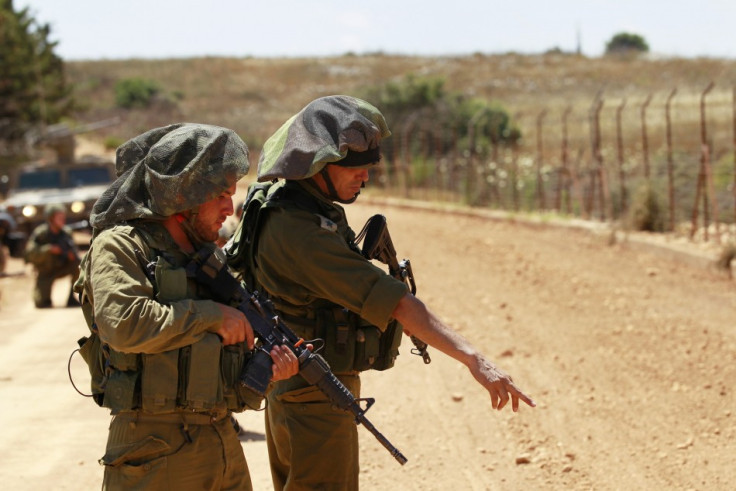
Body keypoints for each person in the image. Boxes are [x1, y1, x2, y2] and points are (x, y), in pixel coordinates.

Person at [230, 95, 536, 490]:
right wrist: (473, 359)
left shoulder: (296, 205)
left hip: (297, 389)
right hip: (311, 396)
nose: (366, 177)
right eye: (355, 169)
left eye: (369, 168)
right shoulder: (302, 233)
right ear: (320, 165)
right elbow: (397, 302)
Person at [73, 123, 300, 490]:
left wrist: (267, 371)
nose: (230, 208)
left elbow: (217, 367)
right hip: (154, 448)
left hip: (221, 441)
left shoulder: (207, 260)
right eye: (221, 195)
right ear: (186, 197)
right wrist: (212, 316)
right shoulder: (122, 246)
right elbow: (125, 325)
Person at [23, 203, 81, 307]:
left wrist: (70, 255)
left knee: (78, 264)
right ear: (51, 219)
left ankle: (71, 298)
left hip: (62, 267)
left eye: (63, 217)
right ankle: (44, 297)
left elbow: (74, 252)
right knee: (41, 303)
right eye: (59, 217)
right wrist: (48, 249)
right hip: (46, 271)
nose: (62, 220)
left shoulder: (66, 233)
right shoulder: (41, 233)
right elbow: (29, 253)